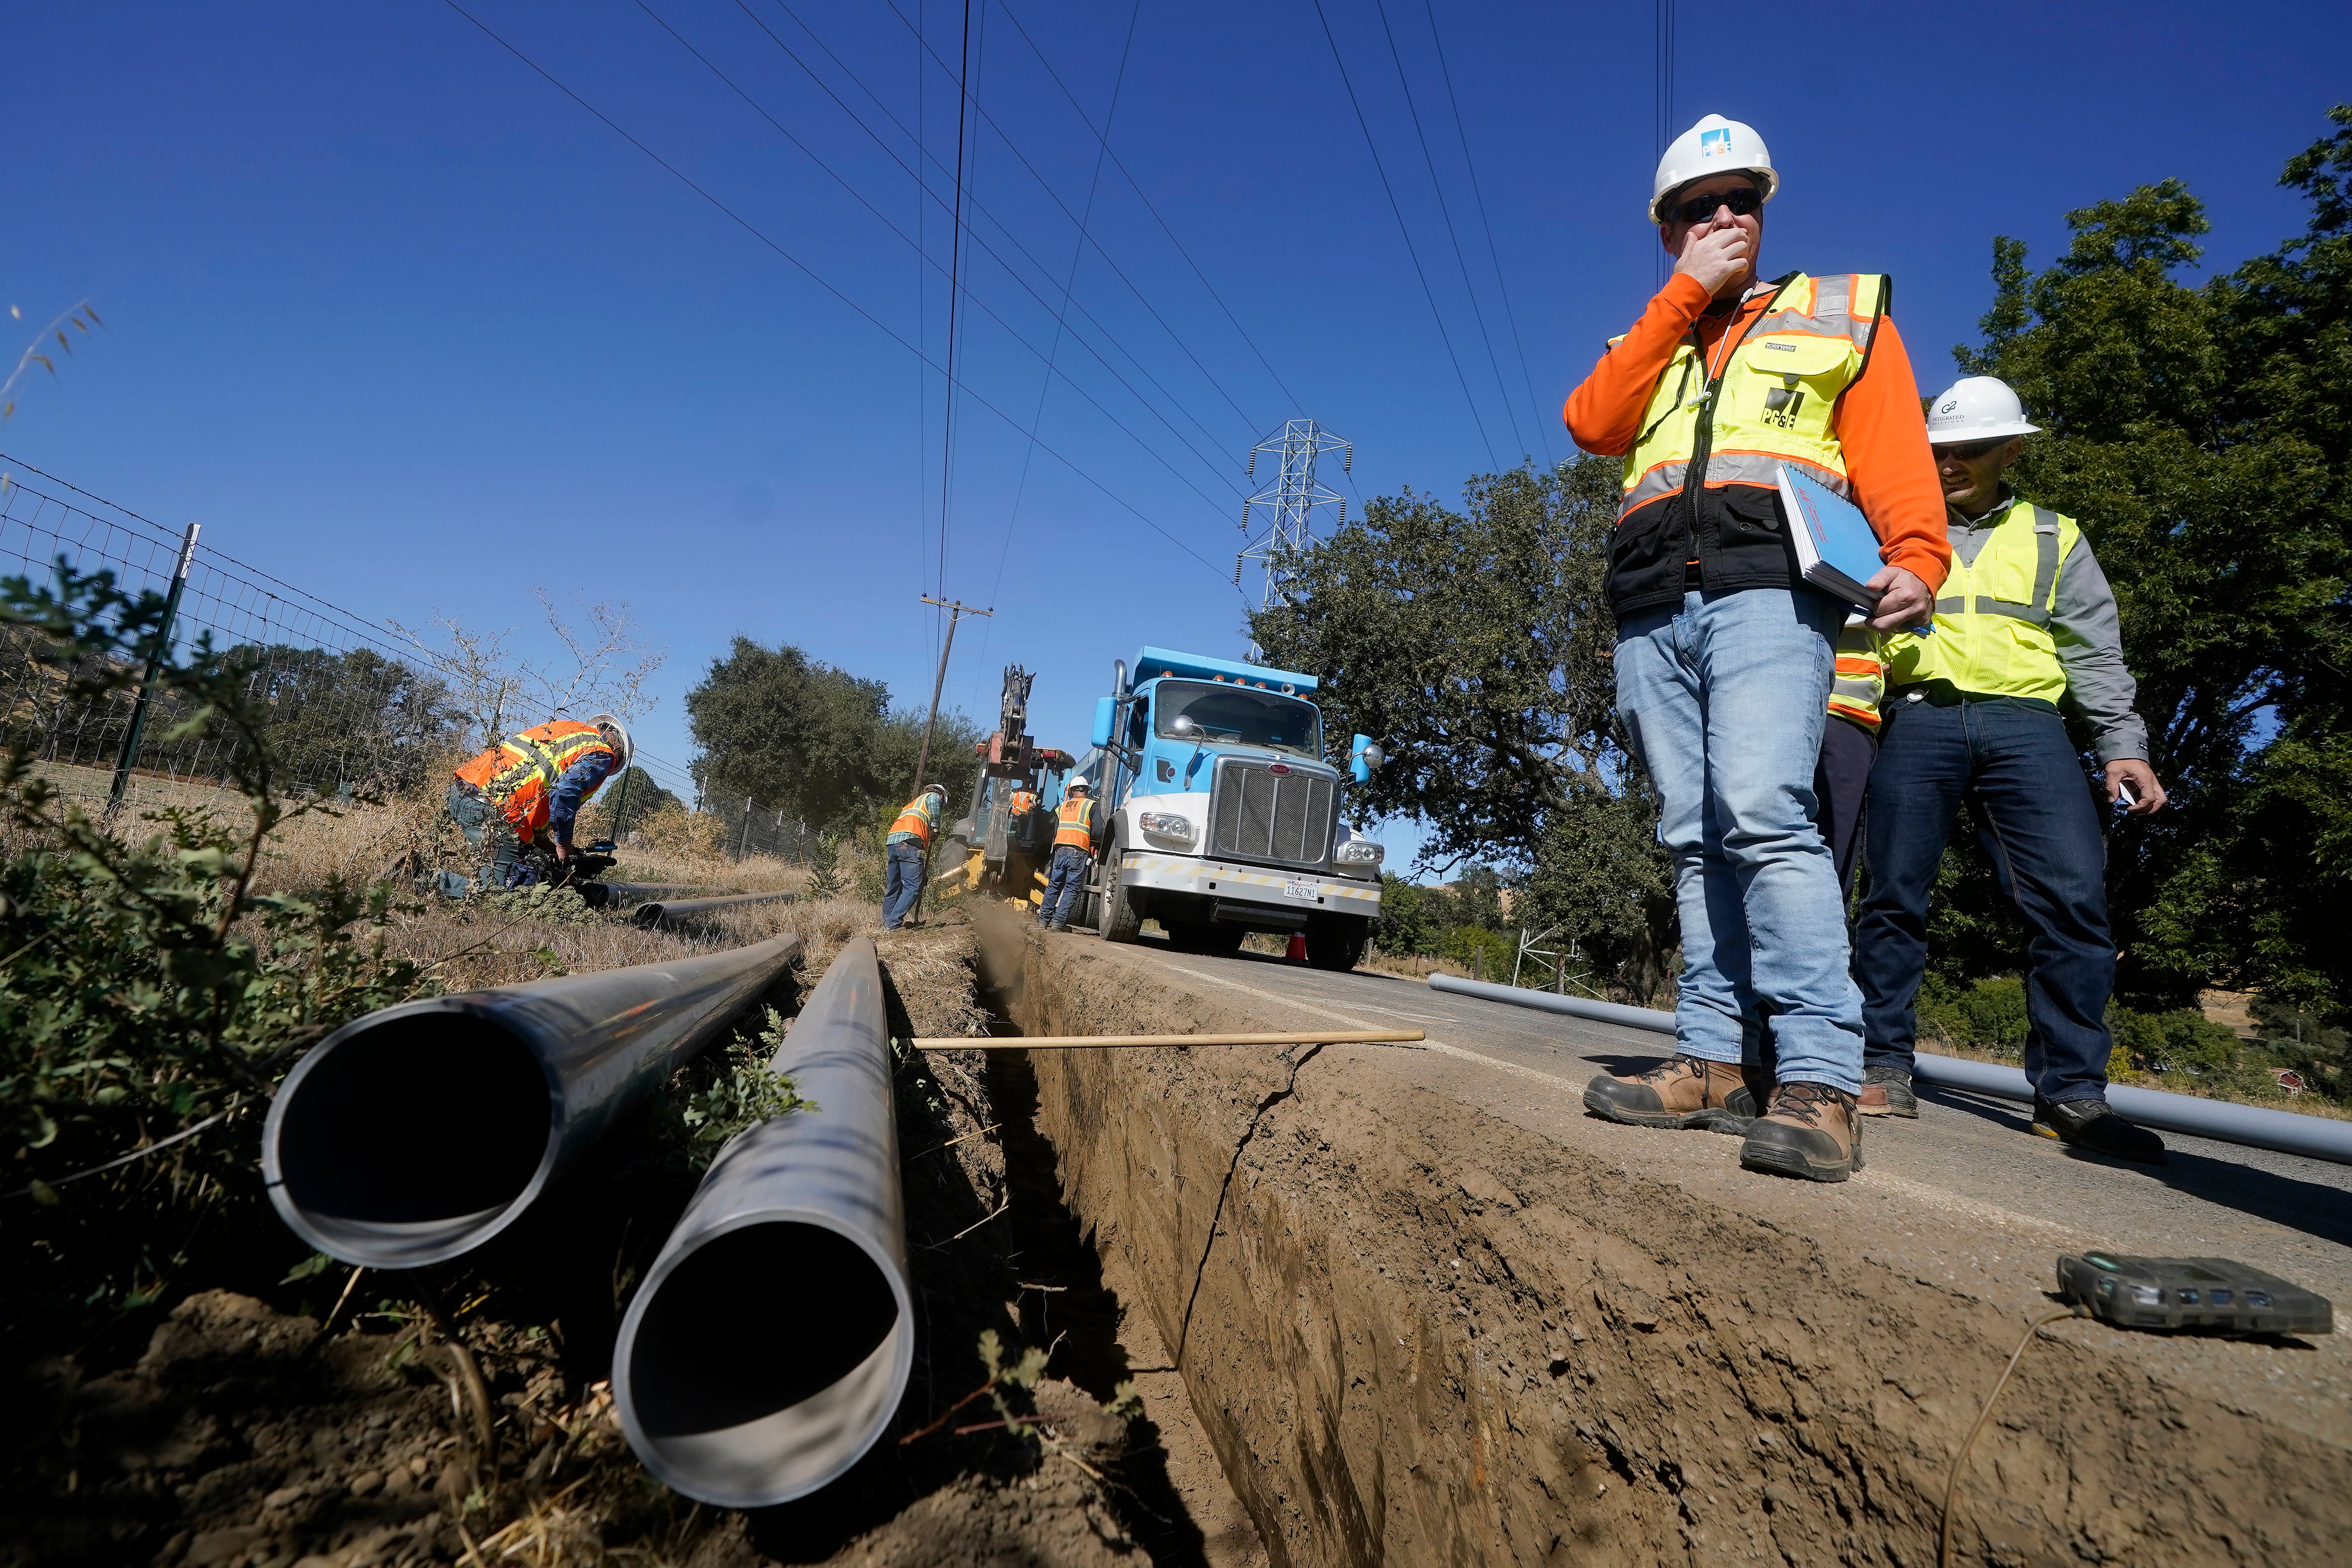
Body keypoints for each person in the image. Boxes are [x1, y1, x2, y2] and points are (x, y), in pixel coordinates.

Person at [1566, 114, 1950, 1182]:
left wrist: (1920, 551)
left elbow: (1892, 447)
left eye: (1743, 200)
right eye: (1701, 205)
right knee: (1692, 835)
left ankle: (1823, 1079)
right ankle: (1712, 1060)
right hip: (1653, 608)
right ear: (1670, 228)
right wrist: (1684, 295)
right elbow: (1591, 423)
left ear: (1767, 210)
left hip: (1771, 598)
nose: (1726, 217)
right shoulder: (1649, 336)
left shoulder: (1838, 315)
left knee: (1768, 818)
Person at [1851, 377, 2169, 1162]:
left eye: (1972, 449)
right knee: (1892, 895)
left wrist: (2121, 745)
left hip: (2029, 727)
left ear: (2012, 450)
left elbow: (2094, 651)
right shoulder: (1887, 528)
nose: (1951, 462)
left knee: (2071, 900)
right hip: (1918, 718)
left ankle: (2070, 1094)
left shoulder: (2056, 535)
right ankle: (1880, 1063)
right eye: (1939, 450)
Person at [446, 713, 631, 893]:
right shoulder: (604, 754)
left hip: (463, 790)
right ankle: (427, 880)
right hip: (495, 809)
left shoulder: (566, 728)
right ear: (618, 754)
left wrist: (558, 855)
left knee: (523, 869)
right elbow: (564, 792)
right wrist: (564, 846)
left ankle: (423, 875)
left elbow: (536, 789)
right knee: (501, 893)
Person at [884, 784, 948, 930]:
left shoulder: (912, 804)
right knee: (913, 888)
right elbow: (934, 803)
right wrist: (936, 829)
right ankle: (893, 924)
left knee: (895, 886)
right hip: (910, 842)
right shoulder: (933, 797)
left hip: (893, 843)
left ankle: (887, 923)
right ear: (942, 797)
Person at [1037, 778, 1098, 932]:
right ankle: (1058, 923)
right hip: (1079, 850)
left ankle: (1044, 920)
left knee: (1054, 884)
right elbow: (1099, 831)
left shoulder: (1062, 807)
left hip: (1060, 850)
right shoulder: (1091, 805)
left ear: (1072, 791)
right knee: (1071, 888)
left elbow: (1056, 828)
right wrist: (1096, 846)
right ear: (1087, 790)